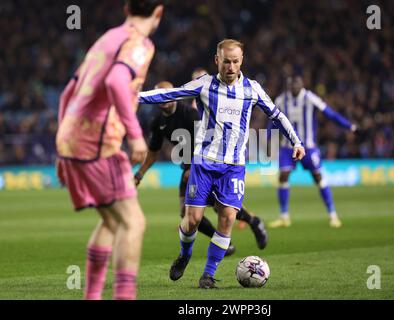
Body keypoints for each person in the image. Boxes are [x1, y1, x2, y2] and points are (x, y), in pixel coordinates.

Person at [139, 39, 305, 289]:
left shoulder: (252, 89)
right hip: (204, 163)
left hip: (233, 167)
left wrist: (296, 142)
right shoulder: (204, 85)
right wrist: (133, 97)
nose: (231, 66)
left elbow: (277, 115)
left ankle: (207, 274)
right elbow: (168, 94)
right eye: (226, 61)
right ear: (217, 60)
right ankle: (185, 255)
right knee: (192, 219)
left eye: (235, 61)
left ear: (242, 61)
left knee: (227, 219)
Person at [55, 0, 164, 300]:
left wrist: (61, 147)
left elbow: (68, 92)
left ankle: (92, 296)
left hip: (72, 139)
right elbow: (117, 81)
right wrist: (136, 134)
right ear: (159, 12)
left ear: (126, 8)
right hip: (98, 142)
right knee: (133, 222)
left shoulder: (106, 39)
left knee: (111, 220)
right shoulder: (139, 43)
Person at [134, 81, 268, 256]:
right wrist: (139, 174)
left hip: (208, 164)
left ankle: (253, 222)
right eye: (160, 95)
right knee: (187, 213)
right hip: (190, 168)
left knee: (220, 206)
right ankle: (225, 241)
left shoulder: (189, 114)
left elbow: (206, 139)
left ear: (173, 95)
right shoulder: (158, 122)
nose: (164, 99)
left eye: (166, 94)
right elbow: (153, 152)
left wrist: (193, 166)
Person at [268, 75, 358, 229]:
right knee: (283, 176)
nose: (295, 86)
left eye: (298, 83)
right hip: (287, 147)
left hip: (308, 147)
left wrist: (348, 126)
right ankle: (284, 217)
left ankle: (333, 215)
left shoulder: (310, 98)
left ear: (302, 84)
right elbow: (272, 120)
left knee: (318, 176)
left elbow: (330, 114)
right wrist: (268, 138)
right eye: (292, 84)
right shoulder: (281, 100)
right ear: (289, 86)